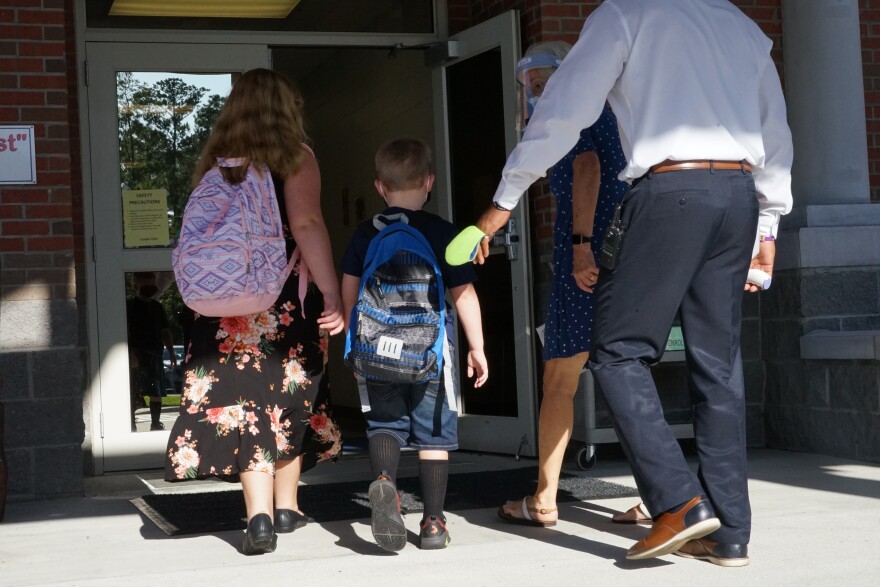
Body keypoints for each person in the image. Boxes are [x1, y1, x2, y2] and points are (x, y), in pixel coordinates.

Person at [474, 0, 793, 567]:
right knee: (717, 366)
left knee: (618, 351)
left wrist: (504, 199)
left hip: (671, 191)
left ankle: (678, 503)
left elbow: (562, 112)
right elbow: (774, 126)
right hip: (738, 194)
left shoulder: (625, 14)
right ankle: (731, 532)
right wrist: (769, 219)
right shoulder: (741, 24)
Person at [164, 68, 345, 556]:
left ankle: (267, 516)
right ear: (288, 109)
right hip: (284, 301)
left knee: (246, 408)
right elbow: (306, 223)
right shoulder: (296, 158)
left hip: (223, 309)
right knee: (290, 397)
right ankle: (280, 509)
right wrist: (331, 293)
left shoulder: (216, 166)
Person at [495, 42, 628, 526]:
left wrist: (580, 245)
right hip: (618, 253)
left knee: (559, 380)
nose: (537, 93)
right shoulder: (603, 107)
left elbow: (587, 168)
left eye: (545, 81)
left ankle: (545, 498)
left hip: (588, 258)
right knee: (626, 375)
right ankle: (663, 498)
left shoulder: (574, 113)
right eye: (530, 86)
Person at [341, 137, 488, 552]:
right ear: (429, 182)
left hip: (376, 351)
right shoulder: (443, 232)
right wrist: (477, 347)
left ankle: (385, 481)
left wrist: (354, 342)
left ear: (379, 187)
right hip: (431, 354)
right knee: (434, 437)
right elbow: (463, 295)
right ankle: (434, 524)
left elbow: (351, 293)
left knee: (385, 424)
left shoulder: (365, 234)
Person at [126, 271, 176, 432]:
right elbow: (125, 332)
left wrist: (172, 352)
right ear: (136, 286)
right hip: (136, 353)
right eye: (146, 285)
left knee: (156, 388)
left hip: (155, 353)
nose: (151, 289)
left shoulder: (157, 307)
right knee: (133, 389)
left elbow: (165, 331)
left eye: (153, 285)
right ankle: (130, 422)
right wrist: (130, 353)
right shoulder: (129, 306)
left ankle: (155, 423)